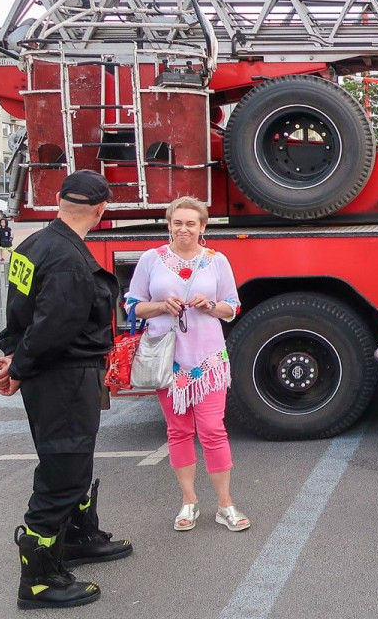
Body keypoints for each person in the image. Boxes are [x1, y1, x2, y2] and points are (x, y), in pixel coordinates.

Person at [0, 170, 132, 610]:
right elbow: (54, 327)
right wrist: (20, 366)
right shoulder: (69, 258)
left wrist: (15, 356)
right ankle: (39, 579)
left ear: (57, 199)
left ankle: (76, 540)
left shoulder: (35, 245)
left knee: (73, 459)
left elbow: (20, 311)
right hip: (64, 376)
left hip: (53, 372)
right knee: (63, 470)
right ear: (102, 210)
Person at [127, 196, 248, 533]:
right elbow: (133, 305)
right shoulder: (151, 259)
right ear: (169, 225)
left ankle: (225, 504)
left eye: (190, 223)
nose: (183, 229)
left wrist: (211, 305)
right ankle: (189, 502)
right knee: (178, 431)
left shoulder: (217, 260)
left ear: (202, 227)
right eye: (177, 222)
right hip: (168, 362)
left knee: (213, 430)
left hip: (208, 361)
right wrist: (160, 306)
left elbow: (232, 307)